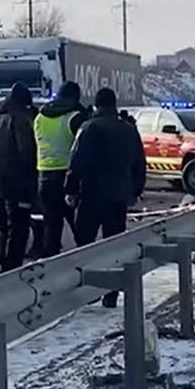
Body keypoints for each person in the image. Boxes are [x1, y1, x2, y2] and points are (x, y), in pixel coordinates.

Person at [67, 87, 146, 306]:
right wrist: (136, 190)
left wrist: (70, 189)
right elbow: (139, 162)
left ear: (96, 105)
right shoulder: (129, 129)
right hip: (118, 195)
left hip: (91, 194)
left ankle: (89, 287)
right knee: (114, 244)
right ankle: (111, 293)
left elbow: (77, 161)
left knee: (85, 242)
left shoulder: (88, 128)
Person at [0, 83, 38, 271]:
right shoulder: (19, 119)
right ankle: (12, 270)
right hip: (15, 180)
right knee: (19, 227)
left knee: (3, 226)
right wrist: (32, 180)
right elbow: (26, 151)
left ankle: (3, 264)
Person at [32, 81, 88, 257]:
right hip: (67, 177)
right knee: (80, 228)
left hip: (44, 176)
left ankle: (51, 267)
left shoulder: (40, 117)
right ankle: (85, 263)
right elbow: (83, 150)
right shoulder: (75, 117)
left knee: (52, 227)